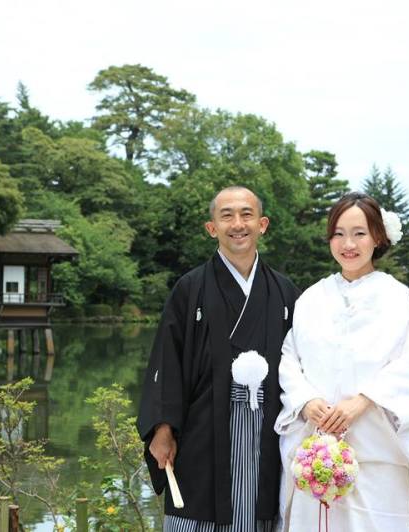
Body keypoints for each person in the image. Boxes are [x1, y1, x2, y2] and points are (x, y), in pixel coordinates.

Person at [276, 192, 409, 531]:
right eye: (339, 233)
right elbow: (289, 357)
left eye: (359, 233)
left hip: (378, 455)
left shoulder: (396, 298)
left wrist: (365, 399)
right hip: (317, 454)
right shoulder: (312, 298)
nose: (348, 244)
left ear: (377, 237)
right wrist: (306, 401)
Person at [138, 186, 300, 532]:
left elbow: (302, 366)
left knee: (262, 509)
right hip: (203, 430)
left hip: (268, 429)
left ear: (263, 224)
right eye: (226, 215)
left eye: (246, 214)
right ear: (212, 227)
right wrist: (162, 428)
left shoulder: (285, 292)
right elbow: (166, 362)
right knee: (197, 509)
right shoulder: (189, 288)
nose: (237, 224)